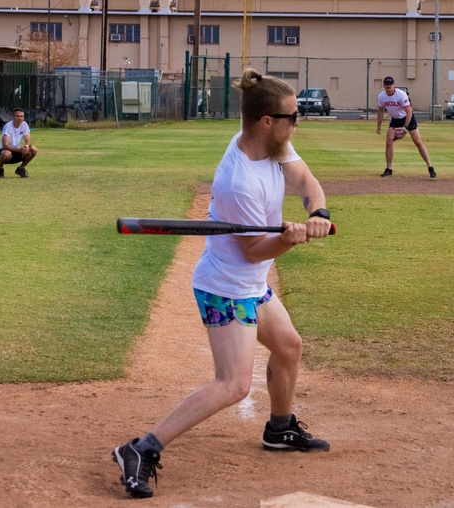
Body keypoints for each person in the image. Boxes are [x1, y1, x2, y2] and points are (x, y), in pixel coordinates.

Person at [112, 69, 334, 499]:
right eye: (292, 116)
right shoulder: (237, 181)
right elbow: (255, 249)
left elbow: (306, 182)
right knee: (233, 384)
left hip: (251, 283)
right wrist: (289, 240)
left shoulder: (275, 146)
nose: (297, 123)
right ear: (266, 120)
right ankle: (140, 449)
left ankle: (279, 428)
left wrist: (318, 215)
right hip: (226, 287)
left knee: (289, 346)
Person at [375, 76, 436, 178]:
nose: (389, 86)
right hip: (395, 119)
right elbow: (380, 111)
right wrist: (379, 126)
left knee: (418, 142)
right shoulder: (382, 96)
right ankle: (388, 169)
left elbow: (409, 111)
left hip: (407, 118)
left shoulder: (401, 95)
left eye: (390, 84)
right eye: (387, 84)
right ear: (384, 86)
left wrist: (405, 127)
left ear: (394, 85)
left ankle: (430, 167)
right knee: (389, 142)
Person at [0, 108, 38, 178]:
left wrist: (26, 146)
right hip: (4, 152)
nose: (20, 118)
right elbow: (5, 145)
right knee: (6, 153)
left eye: (21, 116)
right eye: (17, 116)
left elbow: (28, 140)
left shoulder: (24, 125)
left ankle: (21, 168)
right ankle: (0, 168)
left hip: (17, 151)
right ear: (13, 117)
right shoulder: (8, 126)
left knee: (34, 149)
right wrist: (20, 150)